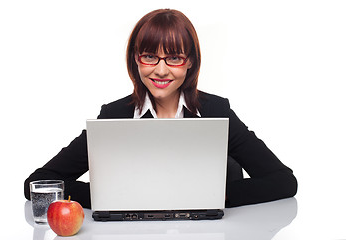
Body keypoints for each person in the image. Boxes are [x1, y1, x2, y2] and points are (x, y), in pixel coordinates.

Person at [24, 9, 297, 209]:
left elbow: (284, 181)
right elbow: (36, 184)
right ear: (137, 59)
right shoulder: (114, 116)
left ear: (190, 62)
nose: (161, 70)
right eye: (150, 56)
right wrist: (106, 197)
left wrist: (216, 196)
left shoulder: (216, 110)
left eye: (174, 57)